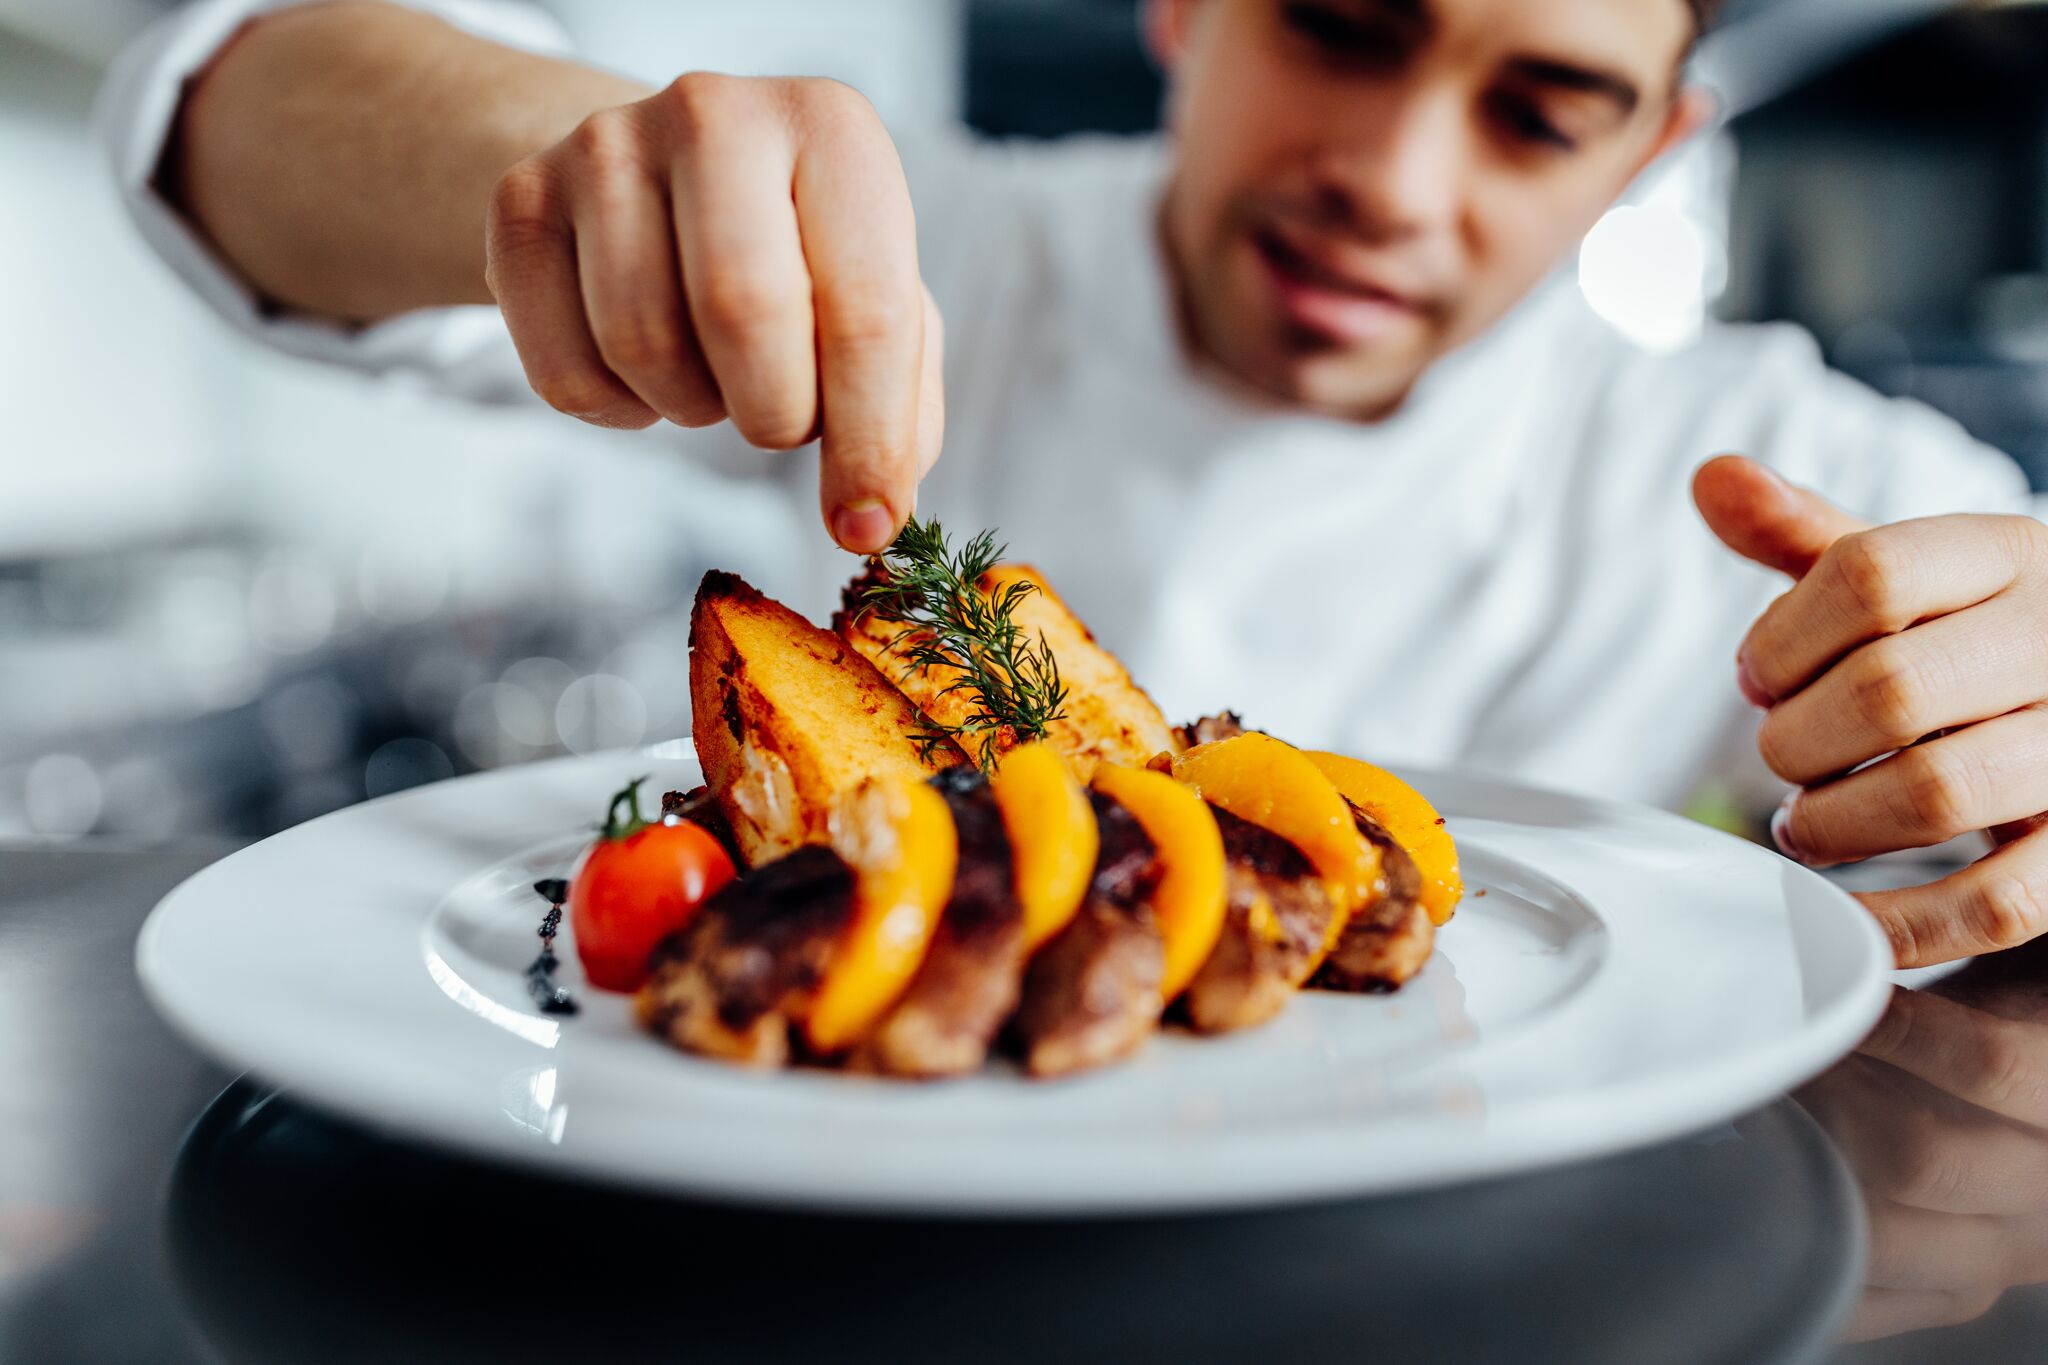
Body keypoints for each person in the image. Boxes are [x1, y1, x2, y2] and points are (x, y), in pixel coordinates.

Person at [101, 0, 2048, 967]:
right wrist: (555, 156)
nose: (1390, 173)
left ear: (1650, 153)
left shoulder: (1792, 462)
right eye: (1341, 27)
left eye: (1538, 111)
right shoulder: (931, 240)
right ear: (1186, 8)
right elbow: (214, 119)